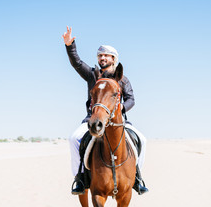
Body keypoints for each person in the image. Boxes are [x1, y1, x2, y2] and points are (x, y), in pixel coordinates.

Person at [62, 26, 148, 195]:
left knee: (143, 140)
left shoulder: (122, 79)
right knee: (73, 138)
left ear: (113, 59)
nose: (102, 58)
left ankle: (137, 178)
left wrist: (122, 107)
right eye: (100, 55)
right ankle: (79, 178)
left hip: (118, 121)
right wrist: (69, 45)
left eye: (106, 55)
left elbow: (131, 99)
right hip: (93, 119)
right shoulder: (92, 74)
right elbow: (77, 63)